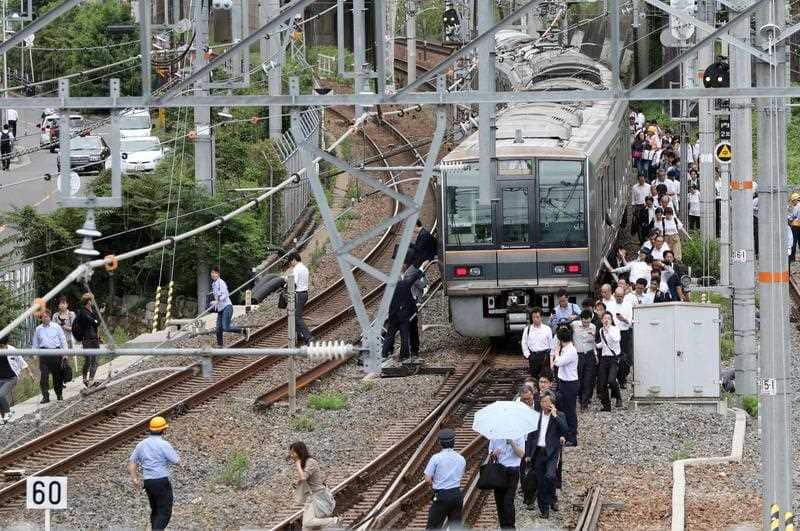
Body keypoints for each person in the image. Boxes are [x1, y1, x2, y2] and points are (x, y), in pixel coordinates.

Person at [128, 416, 180, 531]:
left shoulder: (141, 445)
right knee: (164, 511)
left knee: (155, 510)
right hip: (161, 481)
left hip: (148, 483)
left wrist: (135, 478)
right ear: (163, 430)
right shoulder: (164, 444)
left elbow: (132, 462)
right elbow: (176, 461)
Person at [525, 391, 568, 519]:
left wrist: (555, 415)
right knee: (540, 481)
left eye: (546, 402)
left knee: (550, 476)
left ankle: (552, 498)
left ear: (552, 403)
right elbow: (531, 436)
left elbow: (565, 429)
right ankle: (544, 509)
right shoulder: (536, 417)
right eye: (542, 402)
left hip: (551, 452)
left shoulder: (559, 415)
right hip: (538, 452)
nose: (544, 404)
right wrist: (528, 453)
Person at [289, 441, 339, 530]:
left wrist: (297, 465)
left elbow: (303, 477)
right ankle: (331, 523)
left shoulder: (310, 462)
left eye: (293, 452)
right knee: (306, 527)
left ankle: (334, 521)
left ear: (300, 451)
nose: (291, 455)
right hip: (311, 497)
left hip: (317, 496)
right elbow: (304, 479)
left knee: (308, 523)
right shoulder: (305, 463)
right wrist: (296, 483)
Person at [424, 428, 465, 529]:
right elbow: (461, 475)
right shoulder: (461, 459)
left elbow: (427, 479)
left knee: (433, 526)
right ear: (453, 442)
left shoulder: (436, 458)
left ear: (440, 443)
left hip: (441, 495)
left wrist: (433, 487)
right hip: (456, 494)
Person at [383, 259, 424, 361]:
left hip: (393, 315)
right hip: (404, 315)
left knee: (390, 335)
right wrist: (422, 267)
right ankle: (404, 355)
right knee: (405, 335)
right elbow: (414, 278)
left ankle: (383, 354)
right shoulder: (403, 284)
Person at [488, 435, 525, 529]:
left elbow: (521, 454)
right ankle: (503, 527)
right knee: (499, 501)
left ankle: (510, 527)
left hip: (513, 470)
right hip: (499, 470)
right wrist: (494, 454)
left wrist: (512, 443)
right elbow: (490, 454)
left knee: (508, 501)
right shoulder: (495, 435)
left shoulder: (519, 435)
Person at [32, 310, 67, 403]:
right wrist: (35, 356)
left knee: (57, 377)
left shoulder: (56, 327)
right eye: (43, 317)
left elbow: (63, 340)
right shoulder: (38, 329)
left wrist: (65, 354)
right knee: (44, 377)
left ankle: (59, 394)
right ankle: (45, 396)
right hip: (44, 355)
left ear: (50, 317)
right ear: (41, 318)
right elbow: (35, 343)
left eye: (47, 316)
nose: (45, 318)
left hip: (56, 353)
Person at [552, 326, 578, 446]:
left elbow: (558, 362)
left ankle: (572, 438)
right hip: (563, 382)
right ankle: (565, 435)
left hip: (570, 384)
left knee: (570, 411)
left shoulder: (570, 350)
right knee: (562, 410)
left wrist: (556, 352)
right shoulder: (566, 348)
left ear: (560, 339)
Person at [210, 266, 248, 347]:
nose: (213, 274)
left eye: (215, 273)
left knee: (225, 327)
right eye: (212, 273)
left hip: (227, 307)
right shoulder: (213, 284)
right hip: (220, 308)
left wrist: (218, 300)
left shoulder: (221, 283)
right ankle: (220, 345)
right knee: (218, 328)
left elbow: (225, 294)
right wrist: (215, 304)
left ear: (218, 274)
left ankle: (243, 330)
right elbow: (216, 297)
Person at [0, 335, 33, 423]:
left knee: (1, 395)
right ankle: (4, 418)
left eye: (3, 346)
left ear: (6, 343)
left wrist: (30, 373)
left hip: (11, 378)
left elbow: (22, 362)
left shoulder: (12, 350)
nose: (3, 347)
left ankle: (8, 412)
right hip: (1, 378)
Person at [605, 288, 633, 389]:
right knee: (613, 356)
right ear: (614, 295)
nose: (619, 298)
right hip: (613, 332)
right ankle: (613, 379)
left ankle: (623, 379)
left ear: (624, 296)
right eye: (617, 296)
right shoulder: (610, 305)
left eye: (621, 296)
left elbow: (631, 323)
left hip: (624, 332)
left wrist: (623, 319)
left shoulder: (628, 305)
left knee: (625, 357)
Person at [596, 312, 623, 411]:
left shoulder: (615, 329)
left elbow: (616, 340)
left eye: (608, 318)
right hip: (604, 358)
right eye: (604, 318)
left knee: (611, 380)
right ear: (602, 320)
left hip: (613, 358)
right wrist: (594, 344)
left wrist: (608, 330)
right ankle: (606, 406)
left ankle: (618, 397)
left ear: (611, 320)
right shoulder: (600, 330)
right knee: (602, 383)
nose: (606, 320)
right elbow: (603, 344)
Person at [73, 293, 101, 387]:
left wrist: (95, 321)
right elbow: (93, 321)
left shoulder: (93, 312)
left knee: (95, 360)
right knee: (88, 360)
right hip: (87, 339)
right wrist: (95, 321)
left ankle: (91, 380)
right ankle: (85, 378)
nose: (93, 302)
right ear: (89, 301)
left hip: (95, 339)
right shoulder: (82, 312)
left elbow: (98, 322)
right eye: (92, 300)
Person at [571, 310, 597, 411]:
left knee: (588, 379)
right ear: (581, 319)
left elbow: (595, 342)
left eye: (588, 322)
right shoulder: (574, 325)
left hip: (590, 355)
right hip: (578, 355)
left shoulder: (593, 327)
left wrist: (595, 355)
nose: (586, 324)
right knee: (579, 379)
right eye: (584, 322)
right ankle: (580, 398)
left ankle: (584, 403)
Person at [521, 308, 553, 379]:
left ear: (541, 317)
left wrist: (551, 358)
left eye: (537, 317)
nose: (535, 319)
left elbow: (551, 345)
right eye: (533, 317)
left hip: (545, 356)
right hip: (533, 356)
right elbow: (524, 343)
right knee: (534, 378)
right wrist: (528, 355)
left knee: (545, 378)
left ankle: (545, 390)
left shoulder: (547, 329)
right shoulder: (527, 329)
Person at [288, 253, 313, 345]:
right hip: (305, 293)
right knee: (295, 315)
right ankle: (299, 336)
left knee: (297, 317)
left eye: (291, 262)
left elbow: (293, 282)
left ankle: (309, 337)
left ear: (294, 259)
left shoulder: (296, 269)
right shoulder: (305, 268)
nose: (291, 264)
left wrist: (286, 282)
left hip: (299, 294)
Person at [789, 193, 800, 264]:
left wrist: (789, 218)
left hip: (796, 226)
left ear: (795, 200)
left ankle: (792, 257)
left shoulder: (797, 207)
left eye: (793, 201)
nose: (792, 203)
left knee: (794, 242)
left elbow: (793, 216)